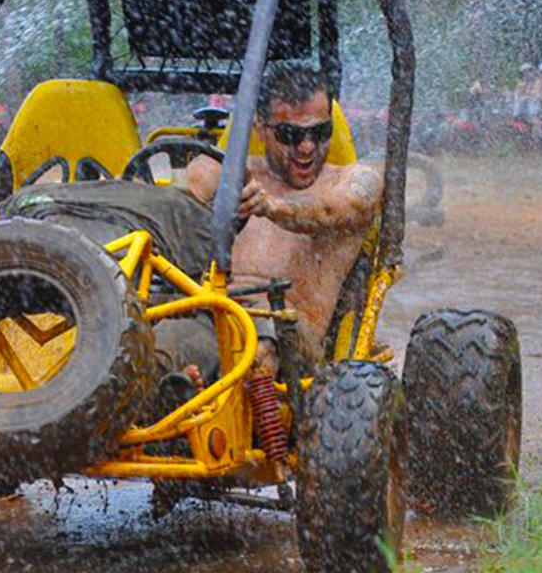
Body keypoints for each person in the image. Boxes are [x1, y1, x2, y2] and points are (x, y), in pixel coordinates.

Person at [155, 65, 381, 392]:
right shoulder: (229, 171)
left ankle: (201, 394)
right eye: (290, 134)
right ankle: (172, 391)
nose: (306, 147)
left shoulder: (356, 180)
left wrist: (274, 207)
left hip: (287, 333)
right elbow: (175, 202)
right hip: (209, 317)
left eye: (320, 132)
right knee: (149, 351)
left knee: (257, 347)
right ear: (261, 130)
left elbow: (329, 210)